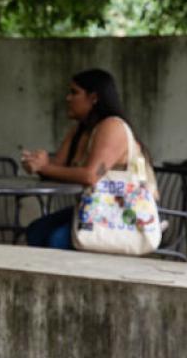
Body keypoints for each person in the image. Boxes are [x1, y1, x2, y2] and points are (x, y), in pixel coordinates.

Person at [22, 68, 144, 249]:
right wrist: (38, 162)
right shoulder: (80, 130)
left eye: (74, 92)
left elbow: (91, 176)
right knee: (37, 231)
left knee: (56, 239)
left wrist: (45, 167)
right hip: (92, 208)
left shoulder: (112, 126)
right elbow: (57, 168)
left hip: (122, 213)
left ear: (94, 97)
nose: (68, 98)